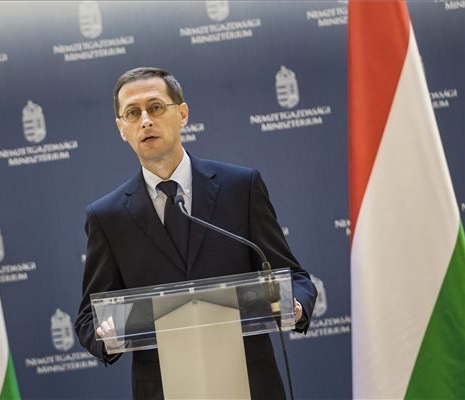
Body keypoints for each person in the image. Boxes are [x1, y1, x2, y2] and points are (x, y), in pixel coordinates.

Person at [75, 67, 317, 399]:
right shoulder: (107, 216)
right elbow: (88, 318)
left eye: (155, 107)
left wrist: (296, 305)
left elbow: (293, 276)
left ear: (183, 114)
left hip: (249, 383)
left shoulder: (240, 188)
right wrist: (107, 336)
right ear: (121, 129)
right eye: (132, 113)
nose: (145, 120)